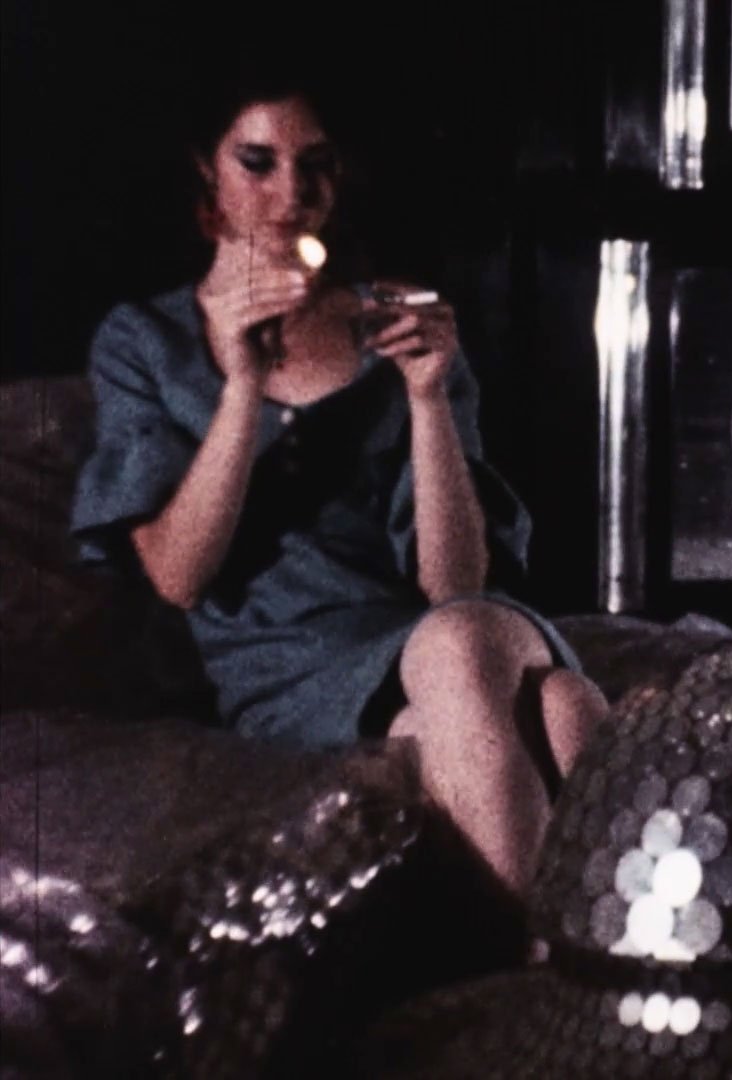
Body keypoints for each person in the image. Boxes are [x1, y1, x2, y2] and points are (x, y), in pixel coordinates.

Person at [69, 72, 607, 897]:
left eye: (315, 165)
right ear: (208, 171)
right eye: (257, 163)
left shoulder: (394, 319)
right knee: (561, 708)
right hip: (288, 667)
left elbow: (453, 585)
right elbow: (178, 577)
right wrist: (243, 386)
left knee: (512, 676)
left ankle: (545, 969)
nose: (291, 195)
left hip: (436, 639)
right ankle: (571, 963)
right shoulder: (146, 340)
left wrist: (428, 397)